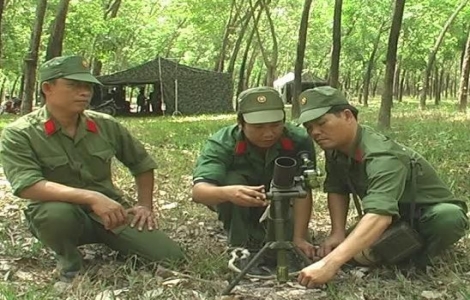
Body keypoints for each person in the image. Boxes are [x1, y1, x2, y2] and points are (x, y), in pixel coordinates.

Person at [0, 55, 185, 282]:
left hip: (110, 213)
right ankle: (69, 260)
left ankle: (114, 240)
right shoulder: (20, 133)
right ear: (47, 88)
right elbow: (27, 185)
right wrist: (91, 197)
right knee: (54, 215)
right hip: (63, 214)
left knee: (171, 258)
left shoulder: (105, 124)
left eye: (87, 86)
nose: (84, 92)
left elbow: (142, 163)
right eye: (74, 85)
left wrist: (145, 205)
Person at [295, 86, 469, 288]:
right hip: (392, 217)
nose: (315, 132)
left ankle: (417, 259)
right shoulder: (336, 148)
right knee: (355, 252)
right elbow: (337, 188)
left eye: (322, 123)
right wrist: (337, 232)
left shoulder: (382, 155)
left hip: (423, 215)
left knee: (448, 217)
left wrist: (329, 264)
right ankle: (392, 247)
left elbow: (379, 215)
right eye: (309, 127)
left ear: (347, 116)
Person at [191, 86, 317, 276]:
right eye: (258, 127)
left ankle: (281, 240)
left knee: (285, 241)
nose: (268, 134)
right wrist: (229, 193)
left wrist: (299, 237)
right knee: (230, 179)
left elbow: (304, 188)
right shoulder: (223, 142)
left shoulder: (298, 140)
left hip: (283, 201)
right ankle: (240, 247)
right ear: (241, 123)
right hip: (236, 202)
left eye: (276, 125)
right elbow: (199, 191)